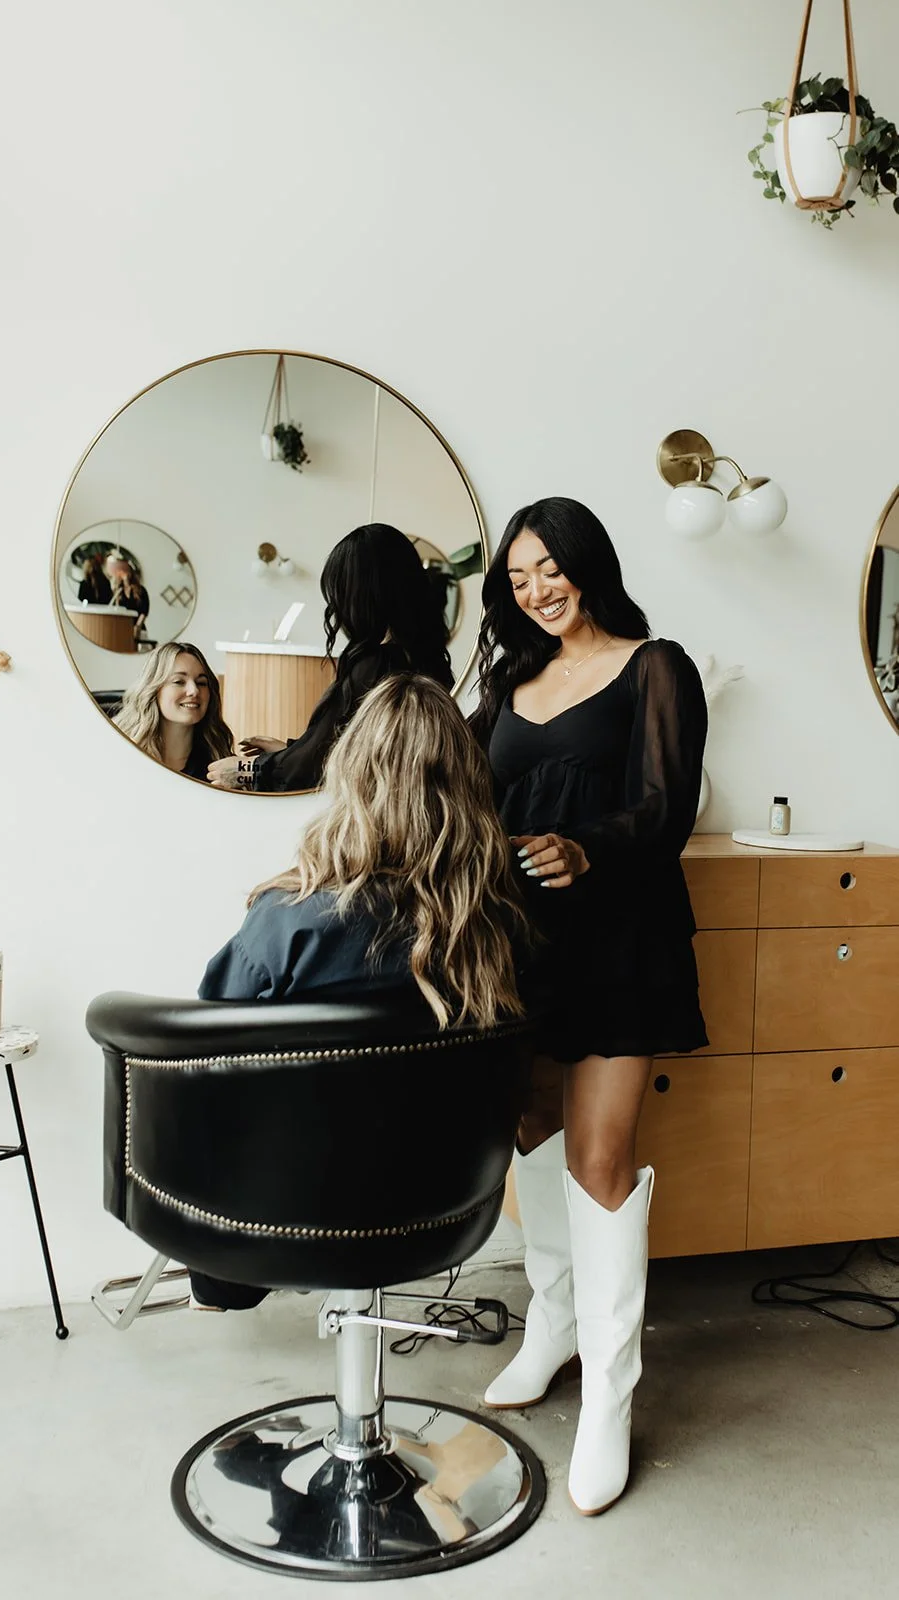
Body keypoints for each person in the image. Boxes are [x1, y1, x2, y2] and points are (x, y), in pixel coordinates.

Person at [470, 496, 707, 1518]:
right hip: (521, 948)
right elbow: (462, 799)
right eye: (517, 577)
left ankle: (610, 1393)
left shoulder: (655, 665)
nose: (536, 589)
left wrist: (585, 846)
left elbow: (666, 804)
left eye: (548, 567)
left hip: (619, 942)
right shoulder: (508, 683)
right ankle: (553, 1324)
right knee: (527, 1126)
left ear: (586, 562)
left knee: (597, 1157)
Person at [190, 672, 532, 1309]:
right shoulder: (496, 923)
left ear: (353, 775)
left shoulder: (290, 919)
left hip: (290, 1206)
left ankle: (223, 1280)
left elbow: (207, 1049)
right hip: (446, 1204)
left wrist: (305, 888)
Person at [207, 523, 453, 792]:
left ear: (361, 594)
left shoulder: (379, 664)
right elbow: (346, 745)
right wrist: (294, 749)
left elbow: (326, 764)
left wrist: (250, 770)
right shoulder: (426, 660)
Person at [113, 641, 233, 779]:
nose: (194, 691)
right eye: (179, 682)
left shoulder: (219, 760)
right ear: (154, 690)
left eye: (201, 683)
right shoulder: (123, 754)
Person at [109, 557, 150, 638]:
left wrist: (137, 626)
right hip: (122, 627)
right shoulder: (119, 591)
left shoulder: (140, 590)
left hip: (138, 628)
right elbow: (115, 609)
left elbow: (144, 611)